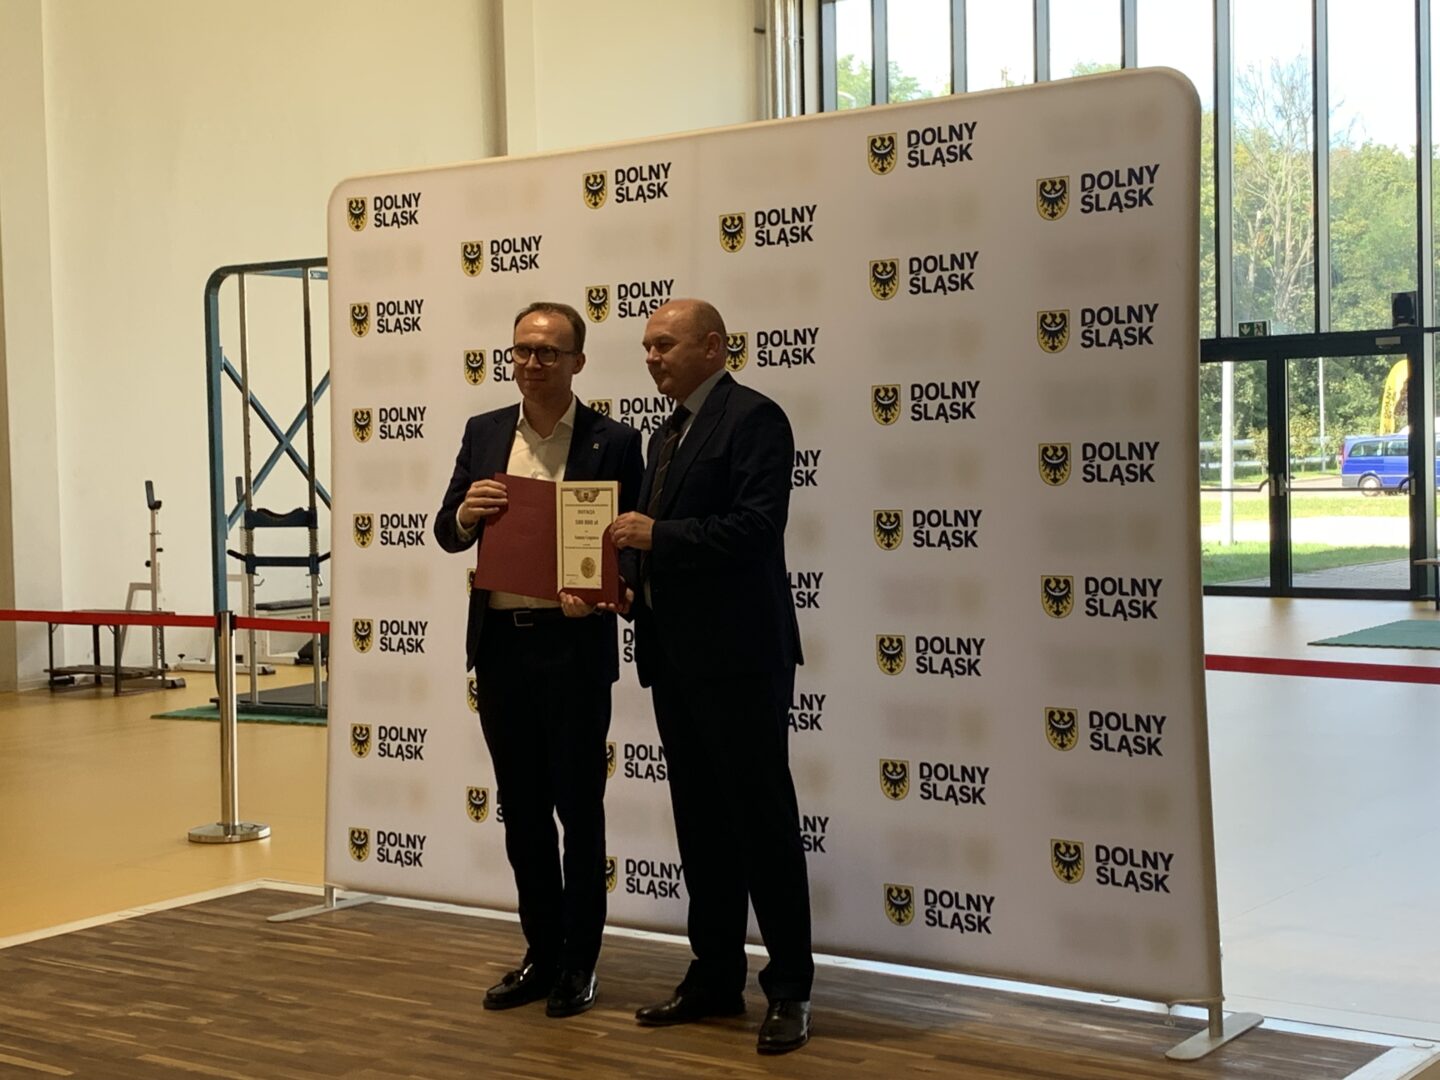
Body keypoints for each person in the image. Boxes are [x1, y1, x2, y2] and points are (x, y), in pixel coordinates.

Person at [610, 298, 814, 1054]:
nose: (652, 357)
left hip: (741, 660)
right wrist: (627, 582)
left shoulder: (754, 418)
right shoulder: (667, 434)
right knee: (700, 826)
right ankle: (716, 974)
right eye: (646, 346)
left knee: (763, 825)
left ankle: (789, 989)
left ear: (713, 346)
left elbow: (758, 529)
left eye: (665, 344)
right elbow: (652, 544)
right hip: (675, 658)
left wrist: (656, 536)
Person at [434, 300, 643, 1018]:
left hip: (573, 646)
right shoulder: (485, 431)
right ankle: (541, 952)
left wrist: (609, 592)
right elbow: (447, 530)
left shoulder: (615, 441)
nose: (532, 363)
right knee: (521, 811)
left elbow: (629, 547)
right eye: (522, 349)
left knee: (578, 810)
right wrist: (466, 513)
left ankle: (580, 962)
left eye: (549, 352)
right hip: (501, 647)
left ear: (578, 361)